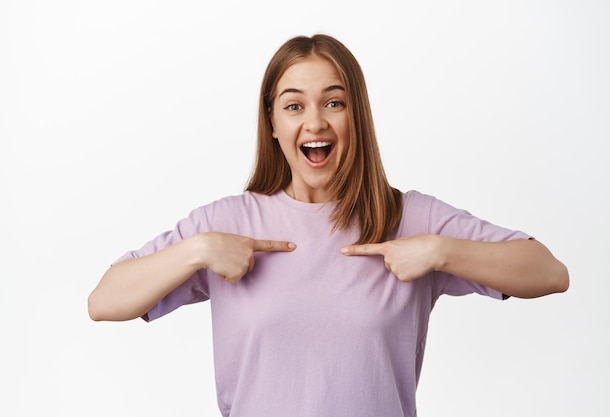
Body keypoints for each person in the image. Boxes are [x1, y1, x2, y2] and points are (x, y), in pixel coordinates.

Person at [88, 34, 569, 417]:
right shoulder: (227, 223)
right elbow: (104, 301)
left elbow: (549, 272)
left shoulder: (407, 218)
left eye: (334, 103)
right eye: (294, 105)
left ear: (356, 116)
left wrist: (441, 252)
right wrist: (196, 251)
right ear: (272, 123)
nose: (315, 122)